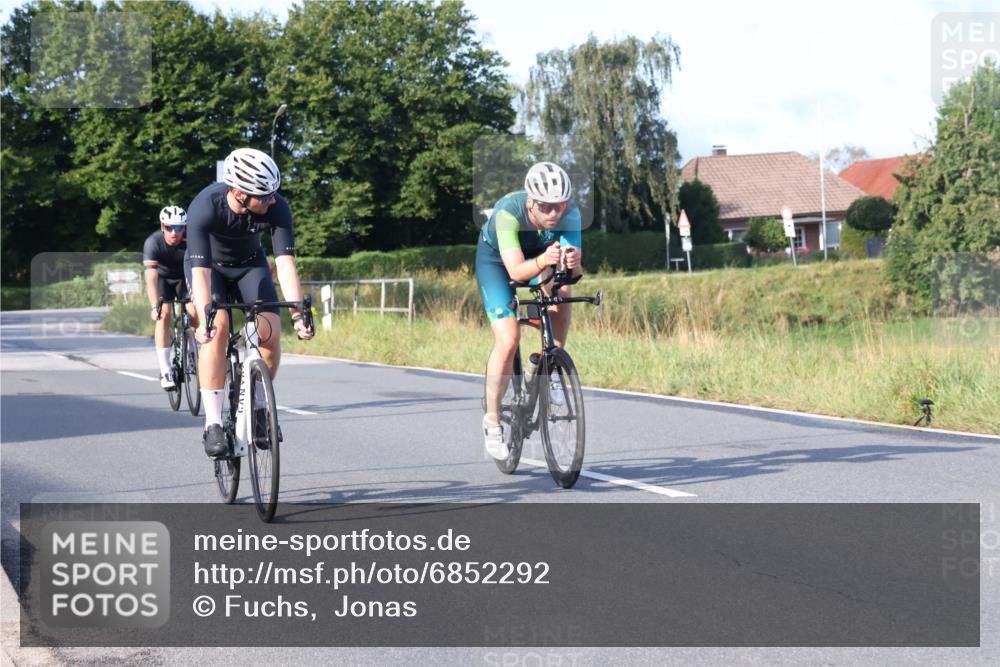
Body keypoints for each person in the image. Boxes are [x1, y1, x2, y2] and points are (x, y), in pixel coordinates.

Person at [185, 147, 314, 458]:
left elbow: (285, 263)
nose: (272, 200)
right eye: (264, 196)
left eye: (273, 194)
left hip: (250, 265)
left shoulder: (277, 207)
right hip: (209, 268)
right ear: (240, 194)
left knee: (269, 333)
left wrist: (298, 313)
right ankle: (213, 423)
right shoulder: (205, 206)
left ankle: (257, 407)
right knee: (217, 329)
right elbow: (200, 273)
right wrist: (204, 321)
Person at [476, 162, 583, 460]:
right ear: (531, 202)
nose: (553, 214)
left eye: (559, 206)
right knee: (509, 339)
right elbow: (517, 271)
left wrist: (573, 266)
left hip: (539, 258)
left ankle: (552, 368)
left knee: (562, 292)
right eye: (546, 207)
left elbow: (571, 273)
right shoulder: (508, 214)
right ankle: (493, 421)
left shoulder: (570, 214)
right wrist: (543, 262)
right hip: (498, 262)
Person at [143, 206, 197, 389]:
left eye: (179, 228)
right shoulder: (153, 242)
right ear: (162, 226)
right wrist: (154, 306)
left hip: (184, 278)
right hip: (163, 280)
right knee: (163, 315)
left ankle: (191, 352)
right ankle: (165, 369)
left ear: (185, 228)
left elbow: (200, 271)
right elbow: (151, 277)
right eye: (169, 227)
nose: (174, 233)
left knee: (193, 311)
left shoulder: (192, 241)